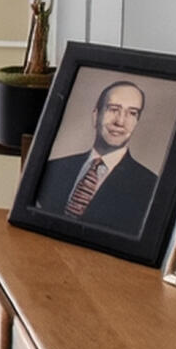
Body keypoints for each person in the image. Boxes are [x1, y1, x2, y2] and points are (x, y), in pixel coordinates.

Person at [34, 78, 160, 234]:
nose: (120, 121)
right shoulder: (53, 168)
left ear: (137, 122)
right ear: (96, 115)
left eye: (132, 113)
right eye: (113, 109)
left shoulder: (150, 188)